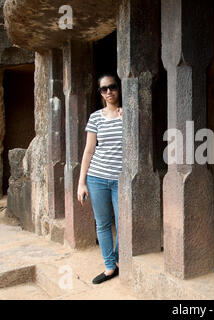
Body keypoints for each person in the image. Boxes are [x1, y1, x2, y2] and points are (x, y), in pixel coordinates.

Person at [77, 73, 123, 284]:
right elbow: (88, 151)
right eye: (104, 89)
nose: (108, 92)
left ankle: (119, 258)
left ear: (118, 88)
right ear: (100, 93)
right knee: (103, 224)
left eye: (112, 87)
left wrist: (128, 121)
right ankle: (109, 266)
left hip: (121, 180)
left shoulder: (127, 114)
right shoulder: (95, 117)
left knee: (124, 222)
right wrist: (81, 183)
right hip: (97, 178)